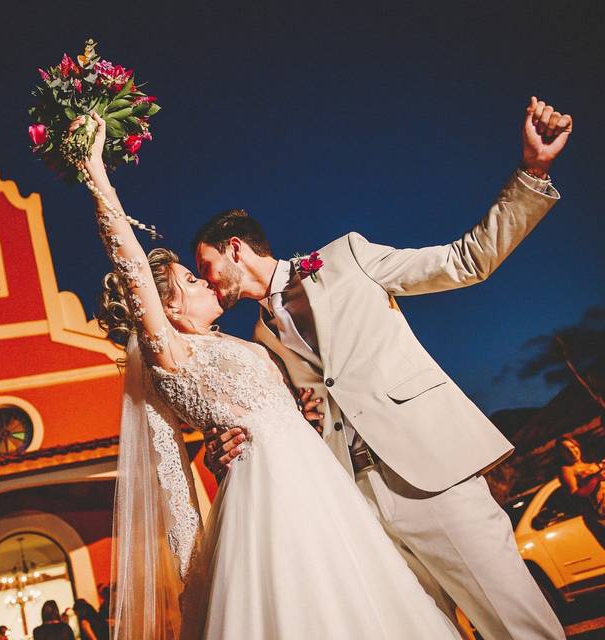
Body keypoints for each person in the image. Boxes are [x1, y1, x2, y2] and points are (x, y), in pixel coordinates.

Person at [76, 112, 462, 640]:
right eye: (191, 280)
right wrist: (96, 173)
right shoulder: (172, 351)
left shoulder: (242, 341)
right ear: (163, 307)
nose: (204, 282)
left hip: (321, 483)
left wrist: (300, 411)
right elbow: (132, 265)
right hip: (270, 498)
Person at [198, 96, 572, 639]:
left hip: (431, 475)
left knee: (516, 624)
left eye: (208, 267)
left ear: (235, 248)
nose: (208, 282)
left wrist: (533, 170)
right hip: (355, 504)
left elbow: (466, 260)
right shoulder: (258, 340)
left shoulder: (348, 258)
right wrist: (227, 448)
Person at [558, 436, 605, 542]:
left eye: (573, 446)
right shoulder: (567, 470)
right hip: (598, 515)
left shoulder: (592, 464)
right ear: (561, 455)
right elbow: (575, 494)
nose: (571, 451)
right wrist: (596, 478)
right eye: (566, 450)